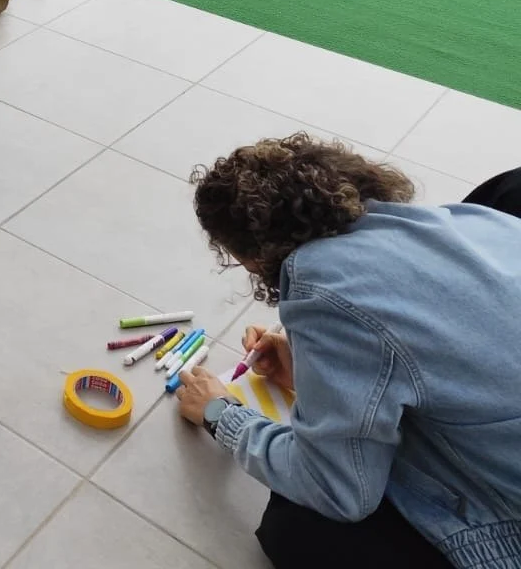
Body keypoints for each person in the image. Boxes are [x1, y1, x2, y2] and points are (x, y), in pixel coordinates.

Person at [173, 134, 521, 569]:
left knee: (296, 527)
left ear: (252, 258)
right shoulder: (463, 221)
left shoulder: (320, 286)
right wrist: (318, 370)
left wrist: (222, 416)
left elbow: (340, 490)